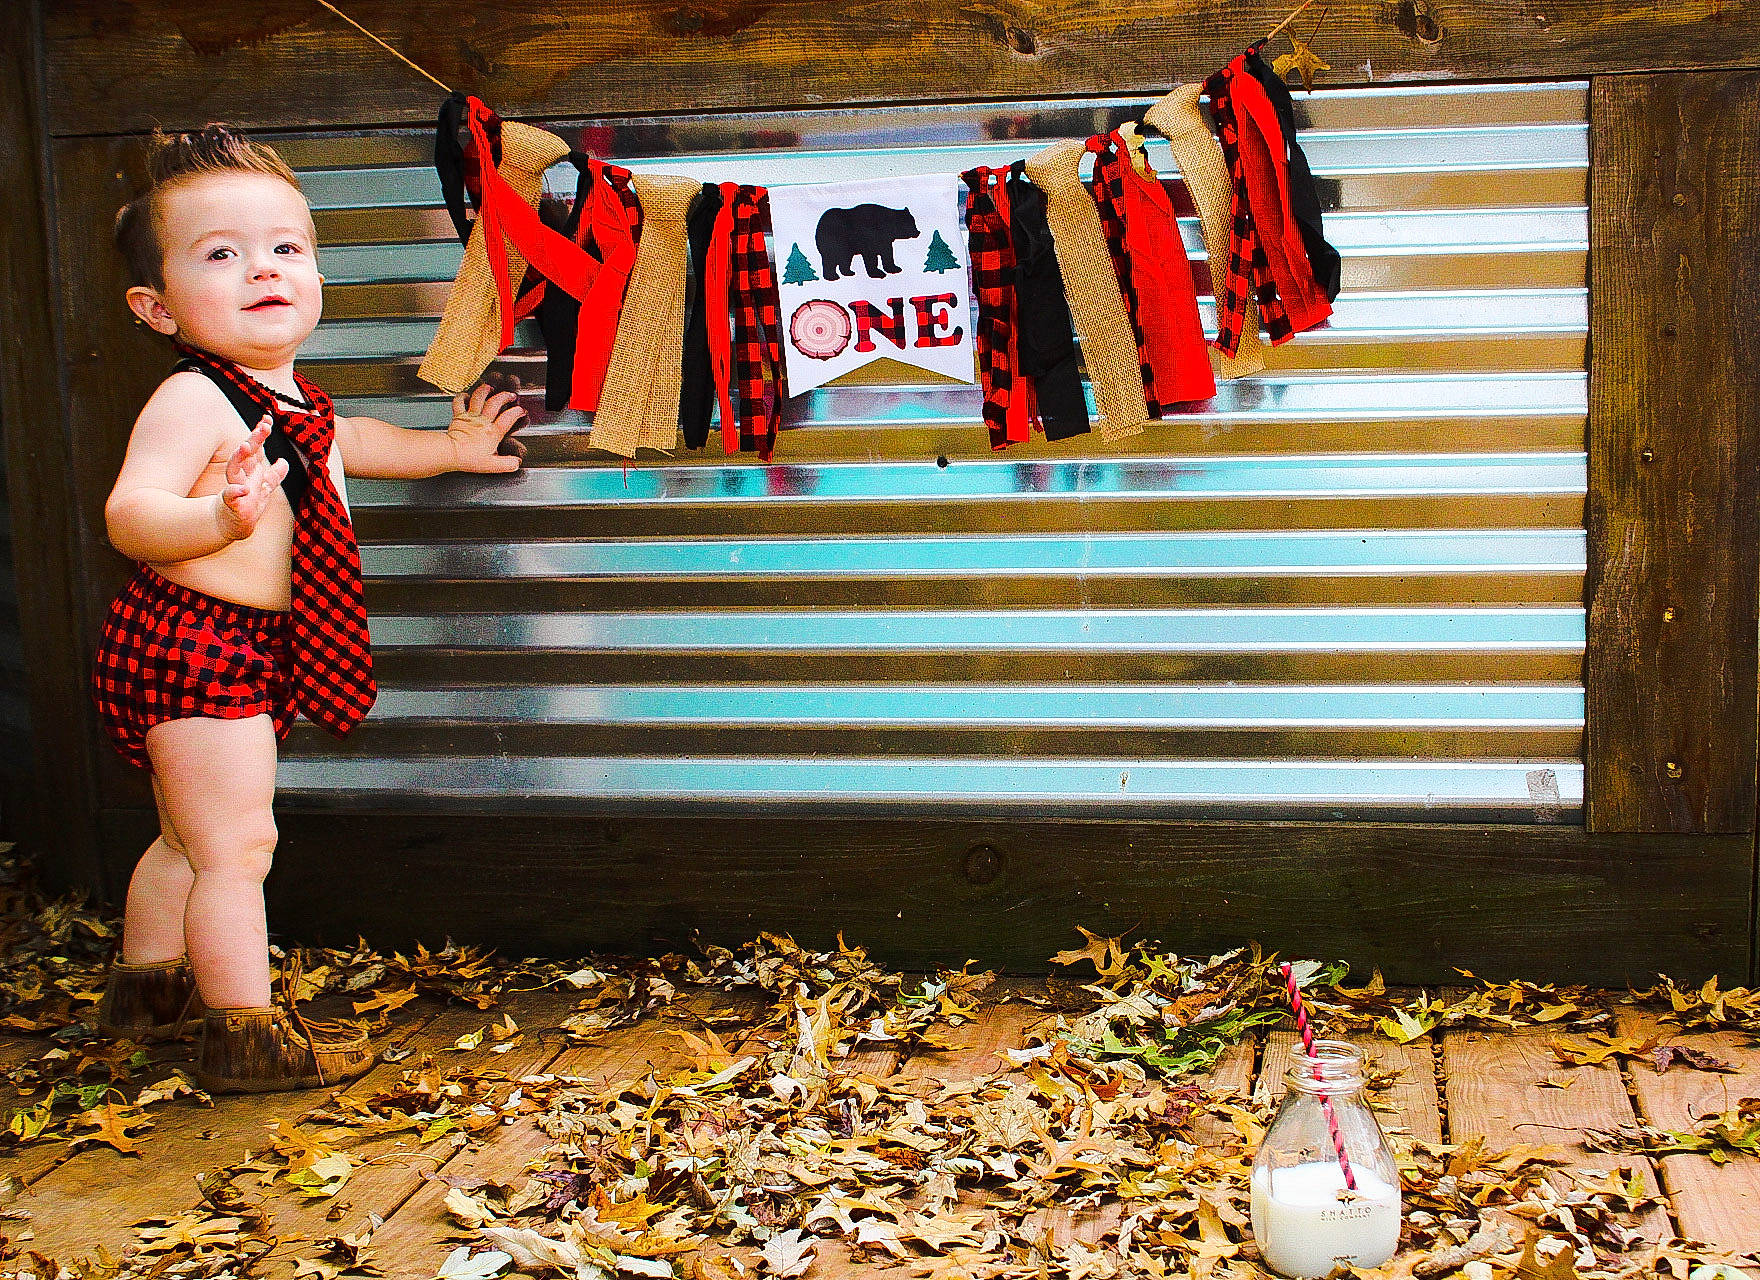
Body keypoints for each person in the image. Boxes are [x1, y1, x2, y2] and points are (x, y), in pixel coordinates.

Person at [90, 125, 526, 1093]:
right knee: (239, 846)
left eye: (287, 247)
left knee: (186, 836)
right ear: (156, 307)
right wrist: (217, 514)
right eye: (222, 253)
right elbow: (130, 513)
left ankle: (145, 991)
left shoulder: (290, 395)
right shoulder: (194, 402)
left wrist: (444, 450)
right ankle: (244, 1035)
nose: (263, 269)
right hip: (194, 643)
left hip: (236, 645)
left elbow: (348, 440)